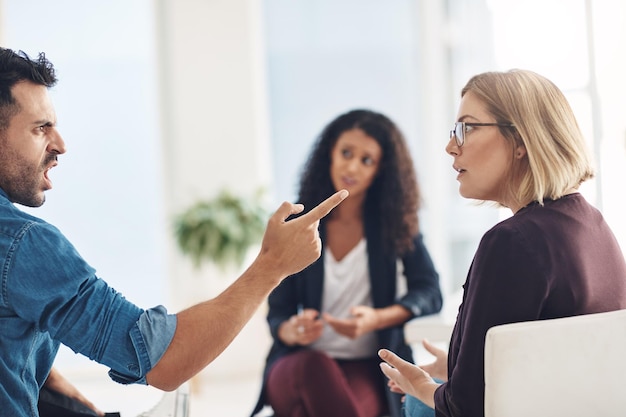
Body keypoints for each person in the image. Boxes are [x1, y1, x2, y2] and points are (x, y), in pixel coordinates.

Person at [0, 47, 349, 417]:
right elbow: (164, 361)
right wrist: (272, 265)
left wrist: (57, 388)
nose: (61, 145)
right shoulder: (23, 244)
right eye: (41, 128)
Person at [377, 69, 626, 417]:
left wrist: (418, 385)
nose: (451, 146)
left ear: (521, 140)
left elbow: (465, 409)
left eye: (467, 127)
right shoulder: (596, 227)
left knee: (417, 404)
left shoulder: (511, 243)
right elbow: (567, 369)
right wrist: (459, 370)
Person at [250, 109, 443, 417]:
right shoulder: (300, 224)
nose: (352, 166)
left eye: (367, 160)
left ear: (381, 171)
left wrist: (377, 319)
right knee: (315, 368)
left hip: (366, 367)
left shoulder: (395, 225)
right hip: (298, 361)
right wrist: (292, 330)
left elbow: (430, 292)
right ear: (330, 154)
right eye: (346, 153)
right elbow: (278, 314)